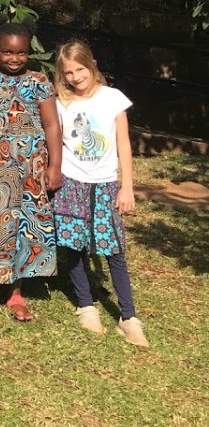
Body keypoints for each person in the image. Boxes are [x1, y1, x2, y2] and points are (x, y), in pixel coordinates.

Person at [0, 16, 62, 322]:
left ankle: (16, 291)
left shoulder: (39, 83)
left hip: (31, 170)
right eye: (7, 52)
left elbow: (52, 126)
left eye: (21, 53)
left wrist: (55, 165)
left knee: (24, 225)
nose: (14, 58)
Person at [53, 41, 148, 346]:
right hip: (72, 182)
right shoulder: (61, 103)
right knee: (74, 244)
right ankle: (86, 305)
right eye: (68, 73)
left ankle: (128, 316)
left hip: (106, 184)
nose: (75, 77)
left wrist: (126, 186)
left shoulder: (112, 98)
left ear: (92, 64)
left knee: (114, 249)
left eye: (80, 69)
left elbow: (123, 144)